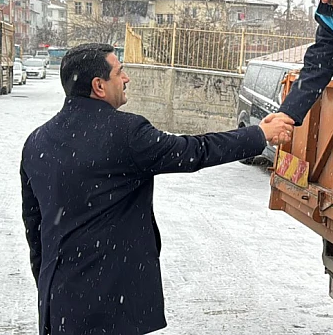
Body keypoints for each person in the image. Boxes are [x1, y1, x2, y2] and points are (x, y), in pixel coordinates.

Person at [20, 43, 293, 335]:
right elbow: (195, 151)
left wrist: (50, 285)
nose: (126, 79)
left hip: (59, 301)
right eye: (119, 72)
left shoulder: (36, 141)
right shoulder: (126, 133)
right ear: (99, 86)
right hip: (109, 304)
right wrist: (259, 134)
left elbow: (34, 228)